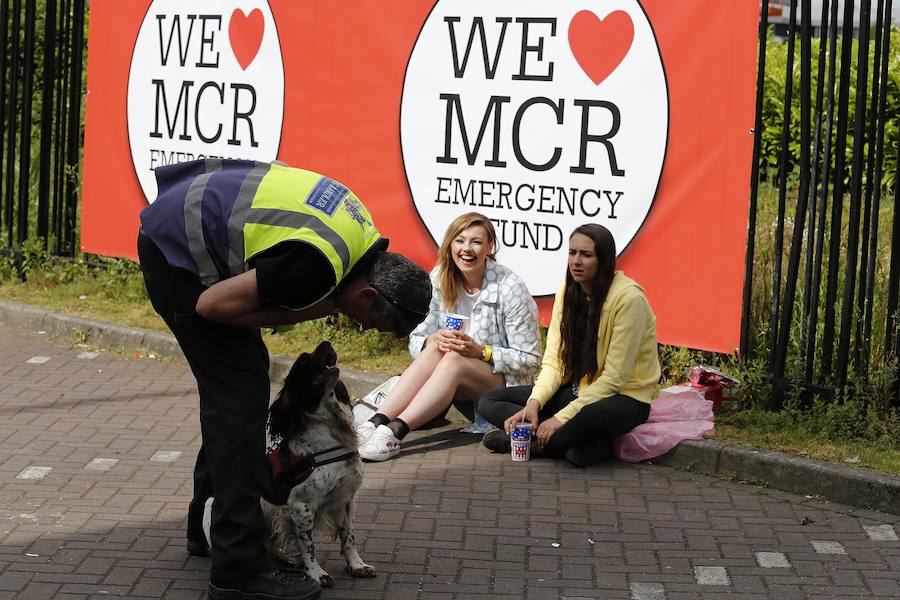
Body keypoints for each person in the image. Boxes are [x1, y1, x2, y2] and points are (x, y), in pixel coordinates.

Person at [137, 158, 431, 600]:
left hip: (182, 222)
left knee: (241, 386)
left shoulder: (359, 234)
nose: (363, 328)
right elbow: (210, 308)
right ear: (369, 293)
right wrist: (320, 307)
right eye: (372, 322)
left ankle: (207, 526)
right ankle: (237, 570)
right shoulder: (317, 267)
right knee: (239, 401)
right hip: (177, 257)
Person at [357, 212, 542, 461]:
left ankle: (394, 432)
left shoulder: (510, 288)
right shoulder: (439, 278)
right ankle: (375, 422)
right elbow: (417, 338)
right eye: (460, 240)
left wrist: (482, 352)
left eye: (476, 242)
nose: (467, 249)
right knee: (436, 347)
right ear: (449, 244)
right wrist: (431, 340)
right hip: (460, 392)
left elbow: (531, 359)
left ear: (490, 247)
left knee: (454, 359)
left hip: (505, 391)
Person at [477, 223, 660, 467]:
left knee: (589, 416)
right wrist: (534, 404)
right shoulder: (566, 292)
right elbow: (554, 363)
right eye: (572, 253)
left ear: (603, 260)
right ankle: (577, 443)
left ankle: (527, 443)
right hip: (577, 390)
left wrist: (560, 419)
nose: (576, 261)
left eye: (586, 255)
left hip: (622, 398)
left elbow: (614, 379)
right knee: (488, 401)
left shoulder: (629, 300)